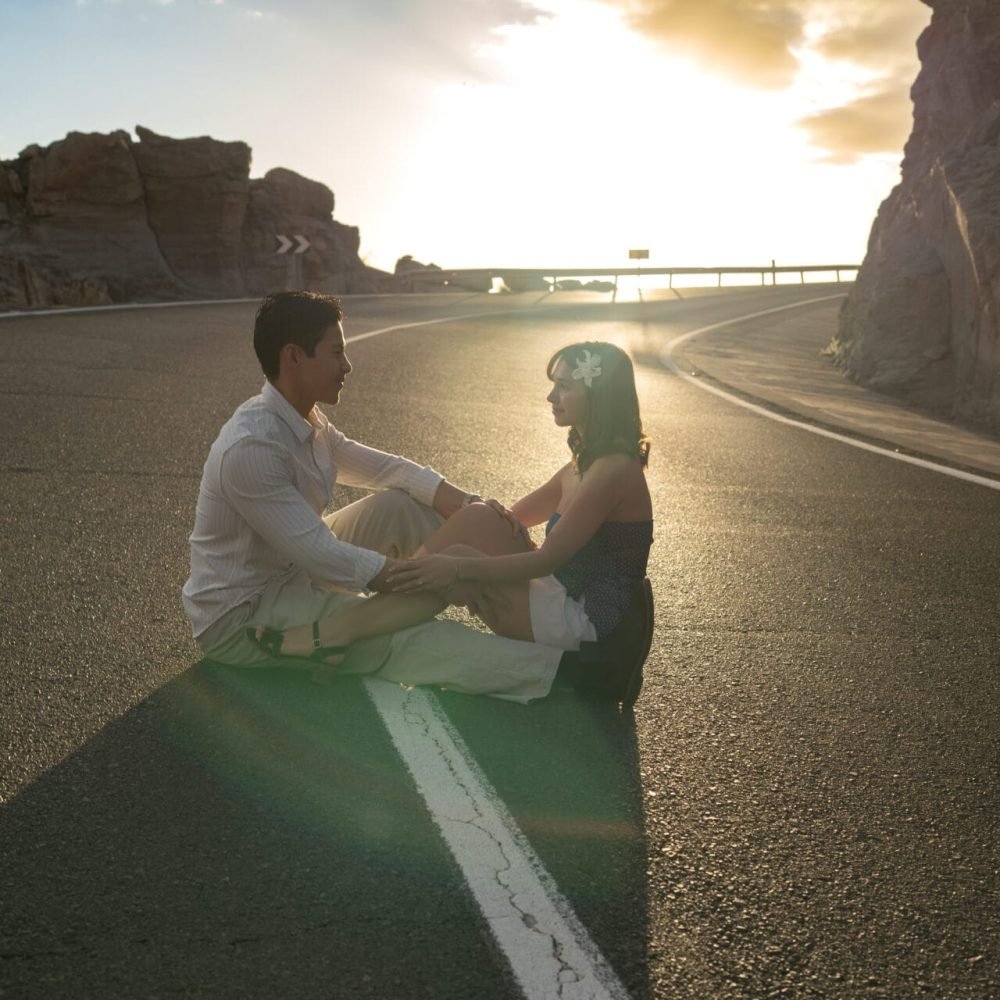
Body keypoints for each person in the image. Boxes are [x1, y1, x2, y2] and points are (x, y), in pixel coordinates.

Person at [183, 291, 647, 705]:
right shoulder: (253, 447)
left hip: (293, 568)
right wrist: (422, 577)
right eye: (337, 352)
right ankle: (566, 675)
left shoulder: (308, 422)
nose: (348, 365)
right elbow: (318, 553)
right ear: (293, 358)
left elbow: (388, 470)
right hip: (247, 611)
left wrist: (465, 505)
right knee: (403, 635)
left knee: (402, 505)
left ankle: (386, 604)